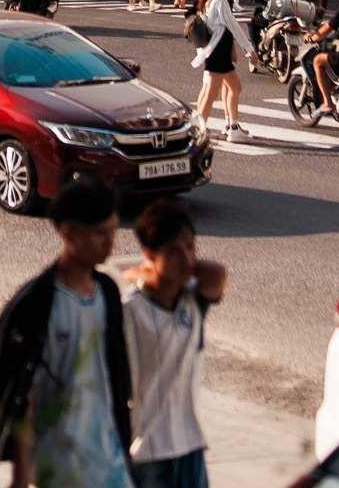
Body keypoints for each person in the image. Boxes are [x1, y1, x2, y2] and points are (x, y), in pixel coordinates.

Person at [0, 176, 131, 488]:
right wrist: (19, 476)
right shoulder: (36, 304)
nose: (111, 242)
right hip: (58, 468)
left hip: (109, 463)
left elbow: (116, 377)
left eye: (113, 230)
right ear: (69, 232)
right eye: (101, 233)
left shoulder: (108, 293)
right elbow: (20, 395)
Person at [122, 197, 225, 488]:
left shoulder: (192, 301)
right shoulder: (129, 310)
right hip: (148, 451)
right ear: (149, 255)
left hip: (189, 445)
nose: (186, 258)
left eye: (190, 247)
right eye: (173, 251)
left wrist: (183, 264)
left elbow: (216, 275)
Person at [189, 0, 249, 141]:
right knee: (211, 92)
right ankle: (201, 130)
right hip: (217, 50)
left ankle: (232, 126)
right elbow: (232, 25)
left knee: (232, 87)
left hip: (215, 49)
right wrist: (249, 49)